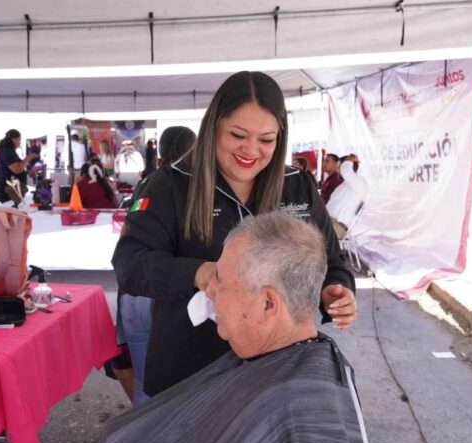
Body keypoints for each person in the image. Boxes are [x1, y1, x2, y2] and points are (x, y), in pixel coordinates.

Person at [14, 212, 386, 443]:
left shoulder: (299, 409)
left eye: (221, 280)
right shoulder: (279, 366)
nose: (209, 289)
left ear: (268, 303)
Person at [112, 71, 357, 398]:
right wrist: (199, 273)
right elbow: (129, 263)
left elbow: (331, 260)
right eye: (238, 135)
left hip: (276, 373)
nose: (251, 150)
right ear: (214, 128)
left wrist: (337, 289)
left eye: (266, 140)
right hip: (189, 373)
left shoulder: (297, 186)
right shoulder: (170, 185)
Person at [118, 125, 196, 405]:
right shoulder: (198, 188)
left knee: (145, 385)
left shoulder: (145, 185)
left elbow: (126, 236)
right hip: (172, 295)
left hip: (135, 294)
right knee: (185, 390)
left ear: (160, 154)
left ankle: (144, 432)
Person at [326, 156, 367, 239]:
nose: (337, 170)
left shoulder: (360, 182)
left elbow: (346, 171)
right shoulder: (346, 184)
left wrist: (349, 160)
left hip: (337, 227)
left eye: (339, 166)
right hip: (330, 223)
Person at [0, 129, 37, 203]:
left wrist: (29, 171)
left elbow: (20, 165)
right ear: (12, 139)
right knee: (12, 208)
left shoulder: (10, 151)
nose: (19, 142)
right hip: (7, 188)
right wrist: (28, 158)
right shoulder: (6, 151)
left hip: (12, 188)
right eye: (18, 139)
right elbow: (17, 169)